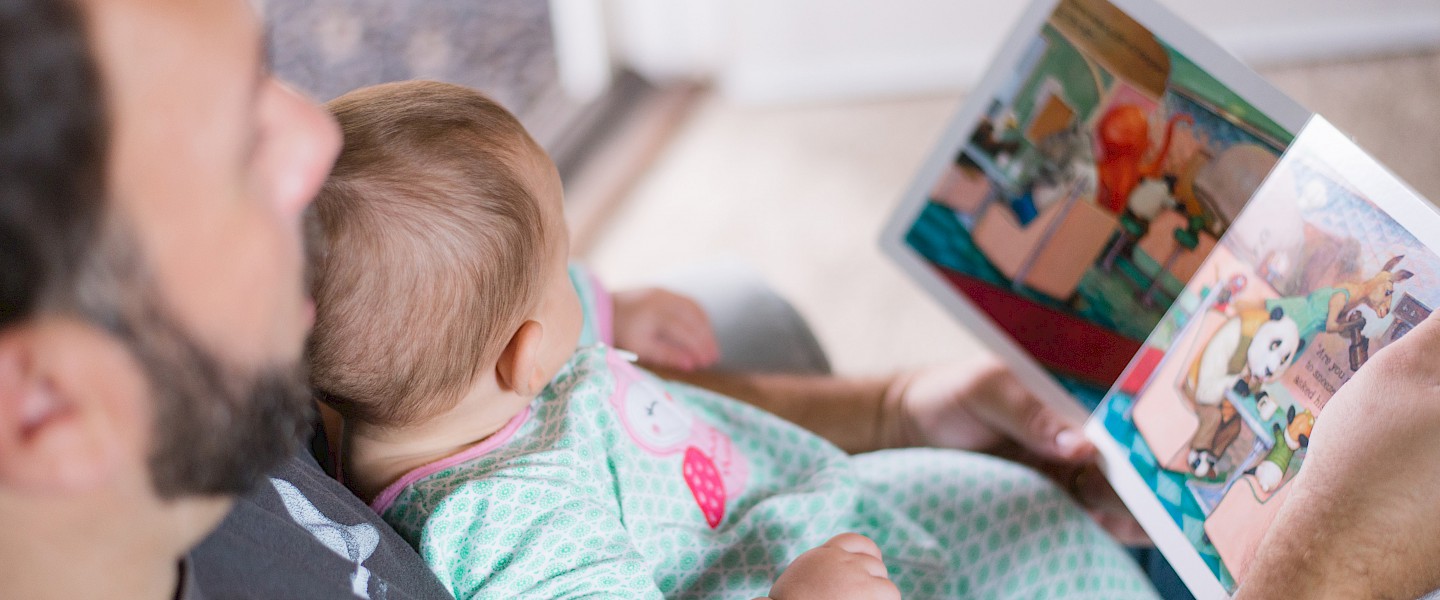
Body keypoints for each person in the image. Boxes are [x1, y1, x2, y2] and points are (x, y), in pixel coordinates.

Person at [2, 0, 1439, 598]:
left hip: (810, 510)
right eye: (227, 148)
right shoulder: (520, 540)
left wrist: (889, 404)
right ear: (43, 403)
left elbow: (557, 383)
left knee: (735, 303)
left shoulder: (277, 355)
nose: (307, 144)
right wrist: (1335, 560)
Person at [305, 79, 1157, 599]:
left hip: (809, 507)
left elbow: (509, 315)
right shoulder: (511, 532)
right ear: (524, 357)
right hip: (788, 570)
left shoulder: (439, 388)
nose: (579, 278)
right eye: (566, 266)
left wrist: (609, 308)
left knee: (1037, 508)